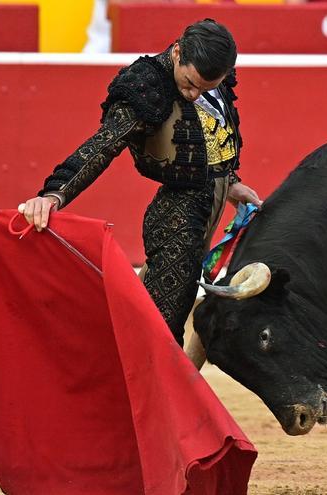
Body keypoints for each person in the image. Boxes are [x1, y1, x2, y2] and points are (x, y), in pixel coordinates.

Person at [19, 19, 262, 348]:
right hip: (177, 216)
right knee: (163, 326)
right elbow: (103, 146)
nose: (193, 94)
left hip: (208, 208)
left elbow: (209, 135)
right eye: (190, 83)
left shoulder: (209, 73)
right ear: (177, 53)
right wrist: (53, 194)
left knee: (154, 310)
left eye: (204, 89)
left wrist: (228, 182)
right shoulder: (146, 84)